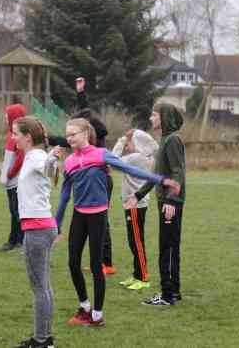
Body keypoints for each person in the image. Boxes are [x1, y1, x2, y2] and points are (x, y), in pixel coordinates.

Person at [55, 118, 180, 327]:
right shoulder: (69, 163)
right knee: (72, 263)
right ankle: (84, 306)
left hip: (97, 216)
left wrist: (162, 180)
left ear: (86, 133)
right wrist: (56, 225)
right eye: (67, 135)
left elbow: (131, 170)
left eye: (73, 134)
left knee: (96, 265)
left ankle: (97, 314)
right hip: (79, 216)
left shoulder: (101, 155)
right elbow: (64, 196)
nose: (69, 138)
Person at [48, 77, 115, 274]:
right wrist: (80, 93)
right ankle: (103, 262)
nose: (72, 134)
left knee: (102, 221)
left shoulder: (98, 134)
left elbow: (91, 120)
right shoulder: (83, 137)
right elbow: (65, 138)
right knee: (96, 221)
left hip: (100, 181)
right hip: (89, 181)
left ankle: (106, 263)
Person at [125, 102, 186, 306]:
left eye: (154, 115)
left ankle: (167, 295)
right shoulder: (166, 140)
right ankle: (173, 291)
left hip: (170, 202)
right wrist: (139, 194)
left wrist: (171, 200)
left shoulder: (173, 140)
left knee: (167, 248)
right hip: (166, 201)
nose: (151, 119)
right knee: (170, 247)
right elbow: (157, 176)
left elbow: (178, 173)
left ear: (164, 116)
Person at [11, 116, 60, 348]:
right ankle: (46, 338)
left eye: (15, 134)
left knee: (40, 288)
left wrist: (52, 159)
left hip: (38, 230)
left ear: (27, 137)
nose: (12, 138)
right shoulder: (32, 156)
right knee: (44, 287)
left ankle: (40, 341)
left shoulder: (38, 158)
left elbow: (48, 167)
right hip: (44, 227)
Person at [112, 129, 158, 291]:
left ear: (137, 143)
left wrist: (120, 142)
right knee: (134, 241)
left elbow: (112, 160)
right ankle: (137, 274)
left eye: (129, 143)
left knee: (137, 242)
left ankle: (143, 278)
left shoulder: (136, 158)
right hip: (137, 204)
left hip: (135, 205)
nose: (127, 146)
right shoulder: (146, 157)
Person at [0, 104, 27, 252]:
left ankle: (21, 242)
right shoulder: (11, 134)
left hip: (16, 182)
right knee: (13, 212)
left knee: (18, 212)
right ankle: (13, 240)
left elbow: (20, 158)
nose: (5, 117)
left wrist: (8, 174)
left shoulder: (19, 135)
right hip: (10, 183)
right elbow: (8, 158)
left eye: (7, 114)